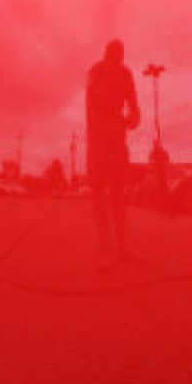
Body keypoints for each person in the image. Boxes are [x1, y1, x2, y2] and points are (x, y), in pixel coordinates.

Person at [86, 40, 140, 264]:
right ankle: (105, 250)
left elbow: (134, 105)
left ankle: (122, 249)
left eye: (121, 54)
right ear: (106, 52)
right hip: (98, 135)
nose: (118, 57)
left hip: (117, 136)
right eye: (114, 53)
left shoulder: (126, 73)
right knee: (99, 189)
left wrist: (133, 118)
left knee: (118, 190)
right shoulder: (96, 71)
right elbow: (94, 100)